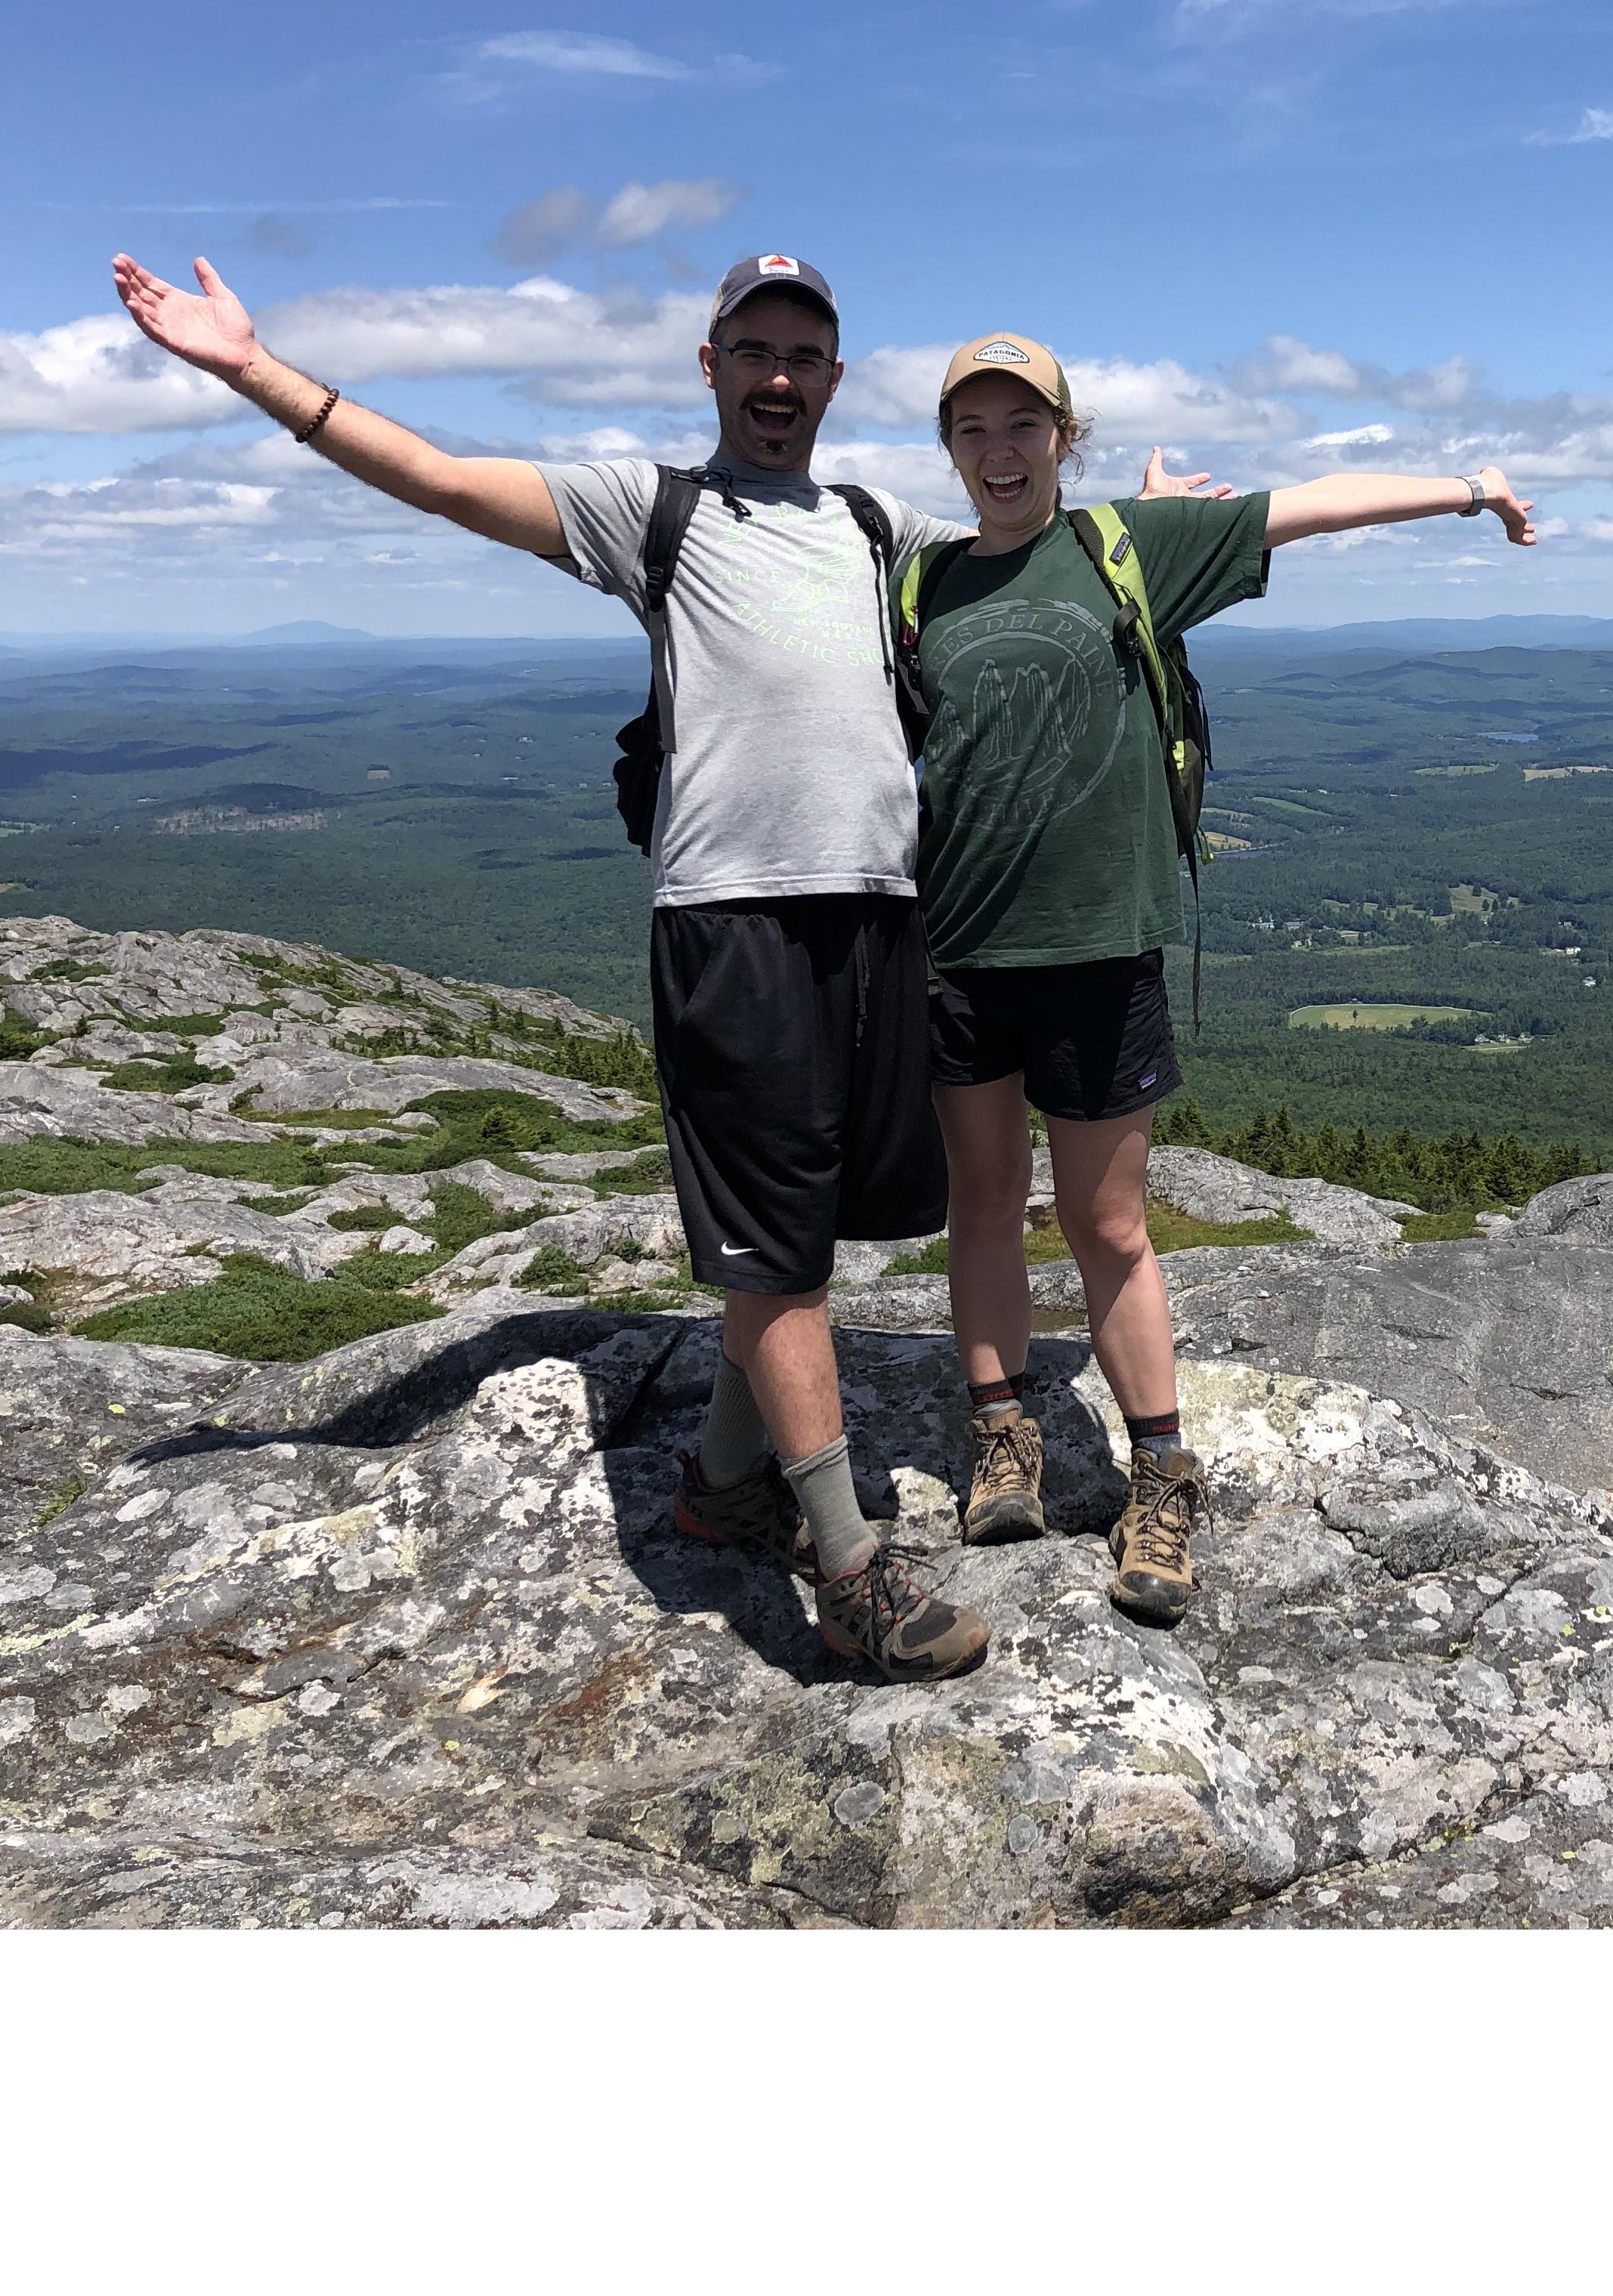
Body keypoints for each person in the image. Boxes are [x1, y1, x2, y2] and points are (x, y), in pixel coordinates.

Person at [104, 243, 994, 1683]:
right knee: (779, 1251)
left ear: (836, 374)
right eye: (753, 352)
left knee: (809, 1230)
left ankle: (718, 1488)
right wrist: (249, 368)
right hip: (737, 917)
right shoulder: (653, 509)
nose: (779, 378)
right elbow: (448, 480)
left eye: (805, 354)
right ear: (710, 368)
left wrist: (1119, 519)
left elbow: (1006, 587)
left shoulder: (876, 518)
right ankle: (847, 1566)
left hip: (878, 913)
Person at [908, 330, 1535, 1626]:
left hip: (1097, 946)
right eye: (972, 429)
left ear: (1059, 442)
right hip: (958, 948)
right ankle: (1002, 1436)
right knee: (979, 1199)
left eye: (1022, 427)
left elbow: (1308, 508)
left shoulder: (1126, 550)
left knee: (1109, 1224)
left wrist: (1470, 491)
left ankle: (1160, 1472)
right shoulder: (919, 583)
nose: (998, 451)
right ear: (949, 449)